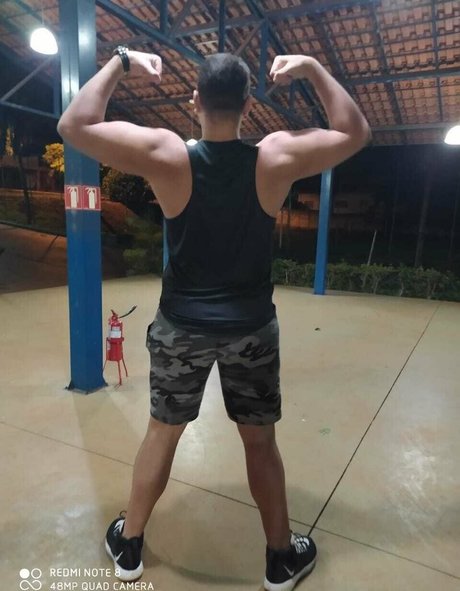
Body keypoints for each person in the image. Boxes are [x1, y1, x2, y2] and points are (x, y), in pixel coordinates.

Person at [58, 49, 370, 591]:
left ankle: (129, 545)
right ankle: (280, 558)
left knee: (162, 434)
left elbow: (74, 124)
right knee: (260, 443)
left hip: (181, 327)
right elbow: (354, 132)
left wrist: (122, 62)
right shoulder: (274, 157)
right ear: (248, 105)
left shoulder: (167, 154)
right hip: (251, 328)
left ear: (195, 99)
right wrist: (312, 68)